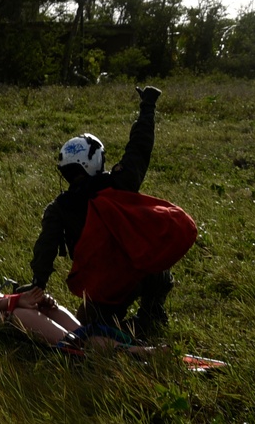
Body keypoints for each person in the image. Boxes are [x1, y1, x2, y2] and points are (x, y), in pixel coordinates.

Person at [23, 86, 170, 337]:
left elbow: (45, 249)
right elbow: (139, 148)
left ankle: (122, 323)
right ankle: (150, 315)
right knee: (156, 262)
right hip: (138, 274)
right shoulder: (120, 184)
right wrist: (147, 106)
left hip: (102, 288)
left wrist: (38, 284)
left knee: (88, 322)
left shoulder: (59, 209)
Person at [0, 284, 152, 354]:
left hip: (17, 307)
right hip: (11, 314)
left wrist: (38, 299)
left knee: (84, 331)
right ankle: (130, 352)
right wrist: (7, 302)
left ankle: (124, 347)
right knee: (75, 340)